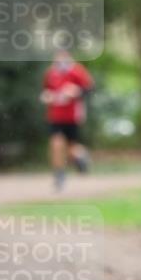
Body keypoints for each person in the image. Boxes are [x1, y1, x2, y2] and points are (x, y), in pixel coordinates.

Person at [40, 48, 94, 191]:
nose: (60, 60)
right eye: (58, 57)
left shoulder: (76, 70)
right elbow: (45, 91)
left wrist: (76, 91)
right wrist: (47, 96)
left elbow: (88, 88)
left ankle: (82, 158)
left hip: (72, 116)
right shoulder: (50, 72)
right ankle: (59, 175)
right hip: (55, 116)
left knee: (71, 148)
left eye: (63, 57)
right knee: (55, 143)